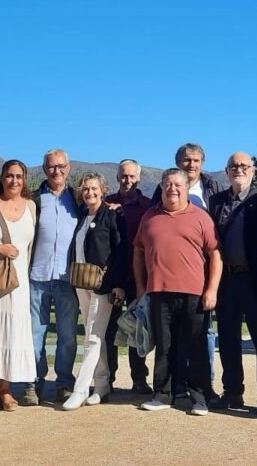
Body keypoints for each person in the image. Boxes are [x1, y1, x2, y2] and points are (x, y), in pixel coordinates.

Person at [134, 169, 221, 416]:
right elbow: (138, 252)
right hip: (159, 292)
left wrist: (212, 289)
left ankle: (199, 397)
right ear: (161, 188)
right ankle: (163, 393)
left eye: (178, 184)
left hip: (194, 293)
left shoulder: (201, 217)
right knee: (164, 346)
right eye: (168, 184)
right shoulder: (150, 216)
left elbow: (215, 254)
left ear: (186, 187)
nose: (173, 189)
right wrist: (142, 288)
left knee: (196, 347)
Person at [208, 152, 257, 414]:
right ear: (226, 172)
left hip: (256, 279)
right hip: (226, 279)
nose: (238, 170)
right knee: (228, 338)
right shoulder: (215, 202)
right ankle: (233, 392)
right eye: (233, 166)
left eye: (243, 166)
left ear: (253, 170)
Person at [150, 143, 222, 398]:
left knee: (202, 338)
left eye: (196, 160)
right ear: (177, 162)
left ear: (202, 163)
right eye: (186, 160)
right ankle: (174, 386)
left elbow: (214, 247)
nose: (191, 164)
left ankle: (204, 388)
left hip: (199, 278)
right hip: (165, 281)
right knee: (169, 340)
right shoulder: (161, 194)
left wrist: (211, 286)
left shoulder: (212, 190)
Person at [62, 173, 127, 410]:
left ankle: (80, 389)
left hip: (103, 284)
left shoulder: (112, 216)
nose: (89, 193)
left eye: (94, 189)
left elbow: (121, 252)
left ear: (103, 190)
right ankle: (102, 385)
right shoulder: (81, 215)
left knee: (93, 335)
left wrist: (120, 284)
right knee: (95, 335)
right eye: (86, 189)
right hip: (81, 282)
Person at [0, 160, 36, 411]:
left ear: (25, 180)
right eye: (9, 176)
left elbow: (31, 246)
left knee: (13, 332)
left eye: (19, 176)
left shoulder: (32, 206)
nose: (14, 181)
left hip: (19, 282)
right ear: (1, 177)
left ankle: (7, 389)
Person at [23, 149, 79, 406]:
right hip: (37, 276)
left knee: (67, 335)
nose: (57, 171)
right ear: (44, 169)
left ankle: (64, 383)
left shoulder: (78, 198)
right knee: (36, 334)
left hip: (68, 278)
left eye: (61, 166)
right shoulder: (33, 199)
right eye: (52, 167)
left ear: (68, 168)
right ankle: (34, 382)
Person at [103, 159, 152, 395]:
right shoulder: (106, 203)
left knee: (137, 329)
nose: (128, 180)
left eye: (132, 176)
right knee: (109, 330)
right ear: (117, 177)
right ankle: (108, 377)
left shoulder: (150, 206)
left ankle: (139, 378)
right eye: (124, 176)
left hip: (139, 277)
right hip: (112, 278)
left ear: (139, 178)